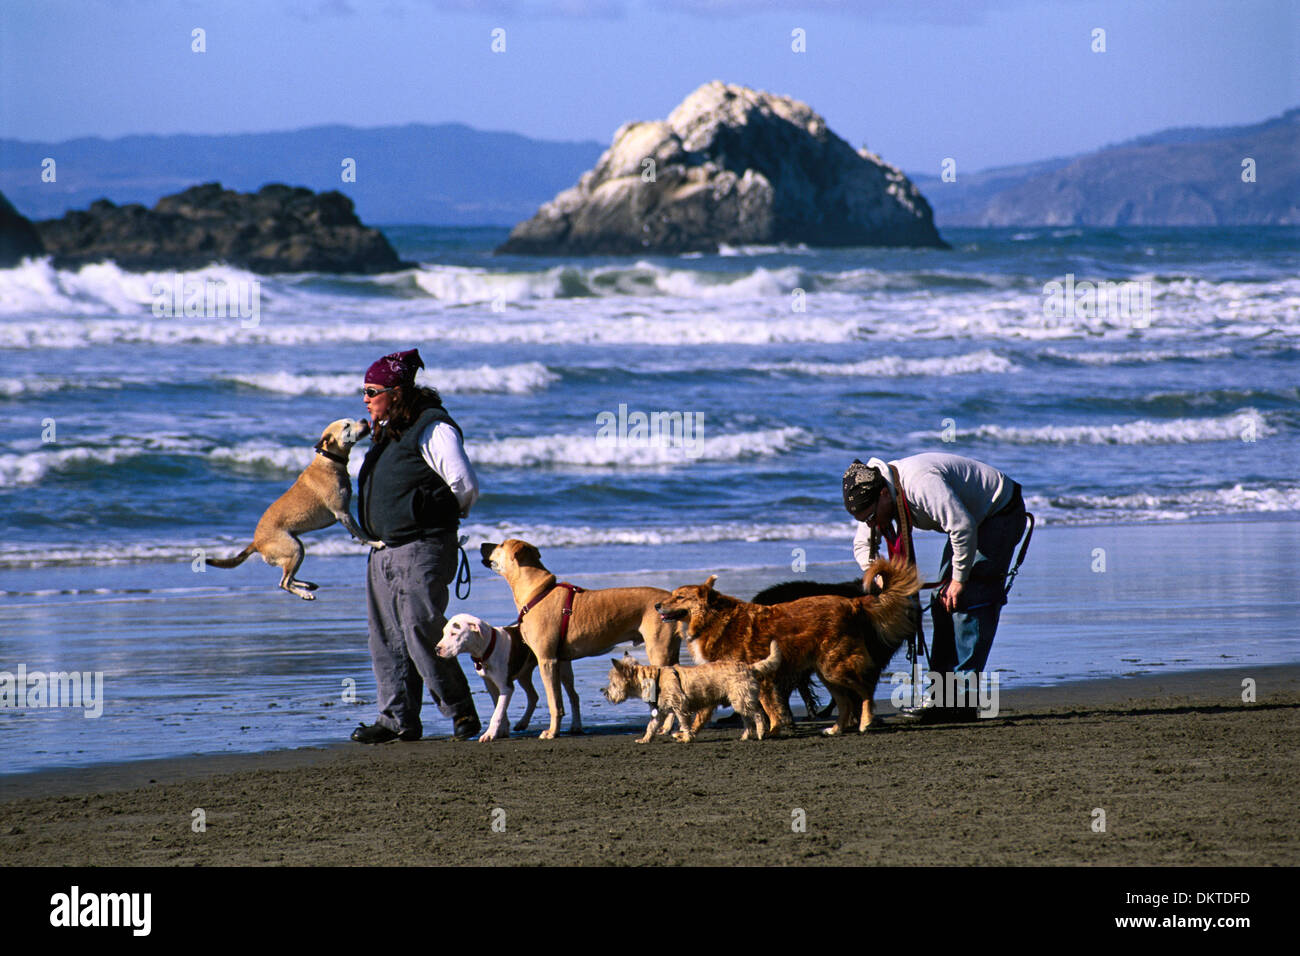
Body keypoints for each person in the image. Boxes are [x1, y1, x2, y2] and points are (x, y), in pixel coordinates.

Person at [349, 348, 482, 743]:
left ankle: (461, 713)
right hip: (382, 550)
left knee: (421, 630)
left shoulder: (431, 426)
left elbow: (465, 485)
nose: (365, 398)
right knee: (385, 638)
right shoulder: (389, 429)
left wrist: (436, 519)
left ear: (396, 391)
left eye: (372, 390)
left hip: (422, 547)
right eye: (364, 390)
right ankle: (397, 721)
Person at [842, 453, 1026, 722]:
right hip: (970, 520)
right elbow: (862, 546)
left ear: (883, 494)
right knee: (941, 603)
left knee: (967, 600)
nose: (870, 525)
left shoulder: (920, 484)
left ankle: (963, 700)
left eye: (870, 518)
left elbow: (961, 526)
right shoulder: (876, 497)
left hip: (999, 512)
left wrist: (959, 580)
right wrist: (881, 578)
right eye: (863, 521)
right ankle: (941, 696)